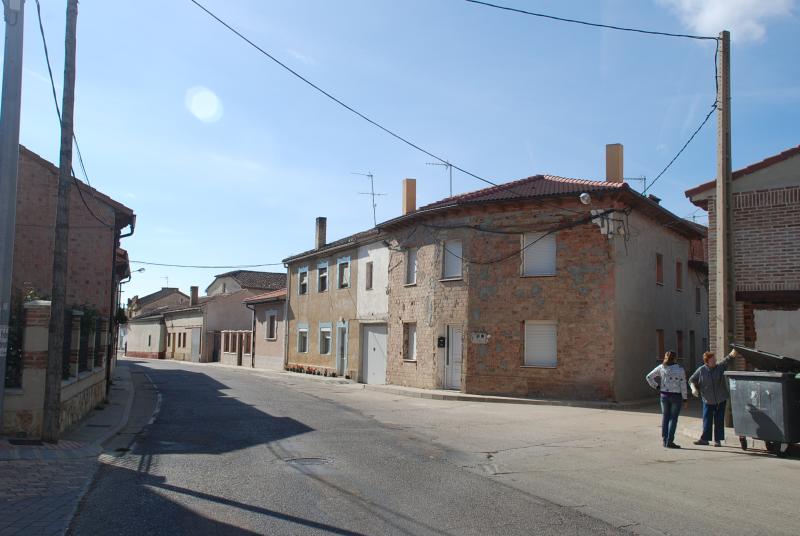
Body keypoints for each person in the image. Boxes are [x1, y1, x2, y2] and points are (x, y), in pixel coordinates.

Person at [689, 349, 740, 447]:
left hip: (720, 399)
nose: (715, 361)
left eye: (715, 359)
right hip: (707, 400)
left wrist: (732, 354)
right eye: (712, 359)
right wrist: (693, 389)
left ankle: (718, 440)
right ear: (707, 361)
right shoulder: (701, 370)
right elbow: (691, 380)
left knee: (719, 420)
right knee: (707, 420)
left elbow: (726, 360)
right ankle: (704, 439)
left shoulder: (719, 367)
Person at [646, 351, 688, 449]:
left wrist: (656, 386)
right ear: (675, 358)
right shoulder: (680, 369)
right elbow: (683, 385)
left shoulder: (661, 367)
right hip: (676, 396)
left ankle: (665, 440)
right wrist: (685, 399)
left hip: (664, 395)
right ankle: (670, 441)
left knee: (665, 418)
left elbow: (648, 377)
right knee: (673, 419)